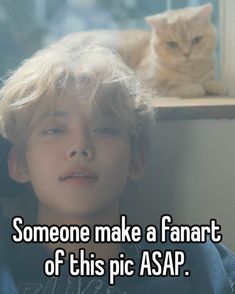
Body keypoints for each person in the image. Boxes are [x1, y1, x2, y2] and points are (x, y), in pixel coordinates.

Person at [0, 40, 234, 294]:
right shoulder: (8, 267)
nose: (80, 147)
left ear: (137, 159)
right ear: (20, 163)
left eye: (104, 129)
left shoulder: (199, 261)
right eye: (55, 130)